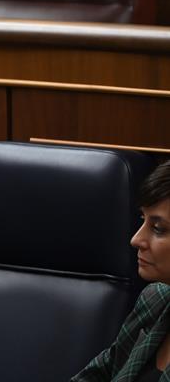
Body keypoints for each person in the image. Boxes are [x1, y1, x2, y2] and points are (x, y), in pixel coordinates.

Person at [72, 159, 170, 382]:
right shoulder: (155, 301)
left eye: (158, 228)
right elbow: (96, 376)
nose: (136, 239)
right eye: (142, 220)